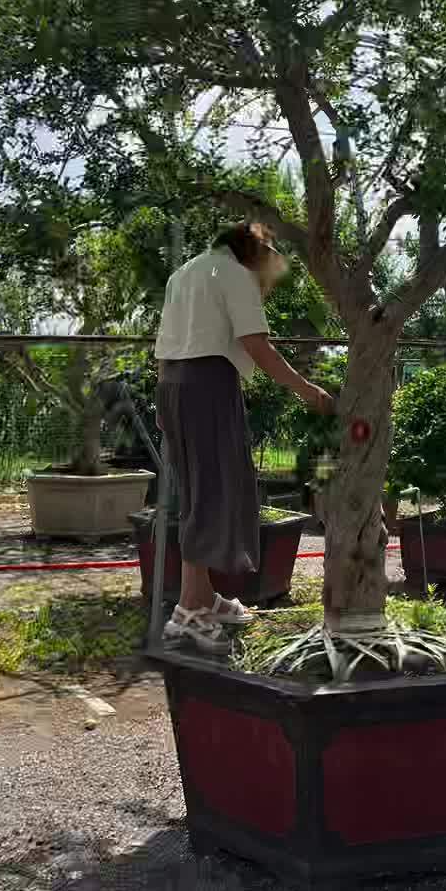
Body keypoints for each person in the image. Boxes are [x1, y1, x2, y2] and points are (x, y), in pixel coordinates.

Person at [154, 220, 336, 654]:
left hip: (173, 386)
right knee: (214, 492)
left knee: (198, 492)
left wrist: (165, 409)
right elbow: (257, 345)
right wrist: (307, 390)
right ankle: (190, 611)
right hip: (208, 385)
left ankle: (201, 597)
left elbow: (162, 346)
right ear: (251, 250)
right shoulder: (234, 274)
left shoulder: (185, 272)